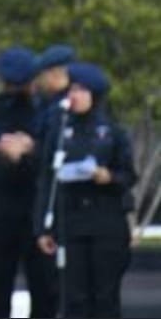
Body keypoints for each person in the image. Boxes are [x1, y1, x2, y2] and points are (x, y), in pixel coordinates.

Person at [35, 62, 136, 318]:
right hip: (71, 222)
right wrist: (43, 227)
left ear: (94, 94)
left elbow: (128, 174)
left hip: (106, 221)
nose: (74, 96)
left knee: (105, 297)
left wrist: (109, 176)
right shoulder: (60, 131)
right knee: (74, 298)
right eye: (72, 89)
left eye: (81, 90)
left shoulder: (112, 132)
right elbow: (47, 180)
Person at [0, 47, 57, 319]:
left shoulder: (46, 108)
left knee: (44, 287)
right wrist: (7, 150)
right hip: (1, 205)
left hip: (35, 203)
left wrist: (29, 150)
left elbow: (51, 152)